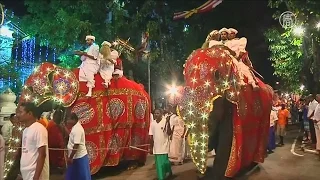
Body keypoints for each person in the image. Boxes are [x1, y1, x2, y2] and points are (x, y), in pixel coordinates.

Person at [17, 102, 49, 180]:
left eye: (21, 112)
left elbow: (42, 154)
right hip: (26, 173)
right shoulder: (25, 130)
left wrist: (36, 177)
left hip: (35, 174)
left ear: (30, 113)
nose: (18, 115)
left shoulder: (39, 129)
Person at [65, 113, 91, 180]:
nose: (67, 122)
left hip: (78, 157)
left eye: (68, 120)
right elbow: (72, 136)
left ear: (73, 119)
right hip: (76, 157)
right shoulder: (75, 127)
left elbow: (76, 145)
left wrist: (70, 158)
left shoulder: (77, 129)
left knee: (81, 176)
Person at [149, 108, 173, 180]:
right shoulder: (152, 123)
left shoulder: (165, 121)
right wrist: (151, 147)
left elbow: (169, 133)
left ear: (161, 114)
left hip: (164, 146)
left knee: (165, 162)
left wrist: (168, 123)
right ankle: (161, 177)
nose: (156, 115)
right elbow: (151, 135)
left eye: (157, 113)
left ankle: (168, 172)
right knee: (159, 164)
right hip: (156, 147)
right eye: (155, 113)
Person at [313, 94, 320, 159]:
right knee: (318, 137)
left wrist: (317, 120)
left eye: (318, 97)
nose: (317, 98)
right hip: (316, 122)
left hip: (319, 122)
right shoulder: (318, 104)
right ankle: (318, 148)